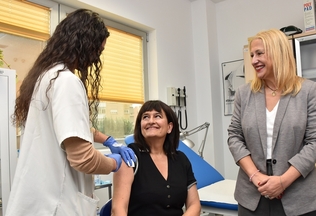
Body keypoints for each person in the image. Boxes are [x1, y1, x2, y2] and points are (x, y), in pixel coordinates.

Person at [7, 9, 135, 216]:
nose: (95, 60)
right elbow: (83, 158)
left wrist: (108, 140)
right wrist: (115, 163)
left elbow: (72, 124)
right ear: (85, 45)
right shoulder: (67, 82)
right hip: (55, 206)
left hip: (38, 201)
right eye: (97, 51)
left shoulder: (46, 79)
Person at [227, 29, 316, 216]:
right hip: (252, 196)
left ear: (278, 52)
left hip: (298, 197)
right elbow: (234, 136)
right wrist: (255, 175)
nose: (253, 60)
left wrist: (283, 181)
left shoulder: (308, 90)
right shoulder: (244, 93)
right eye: (251, 55)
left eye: (259, 53)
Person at [111, 100, 201, 216]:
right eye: (146, 117)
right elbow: (118, 210)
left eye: (157, 116)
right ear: (140, 127)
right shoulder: (130, 156)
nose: (151, 121)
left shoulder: (181, 159)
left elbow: (194, 205)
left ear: (169, 127)